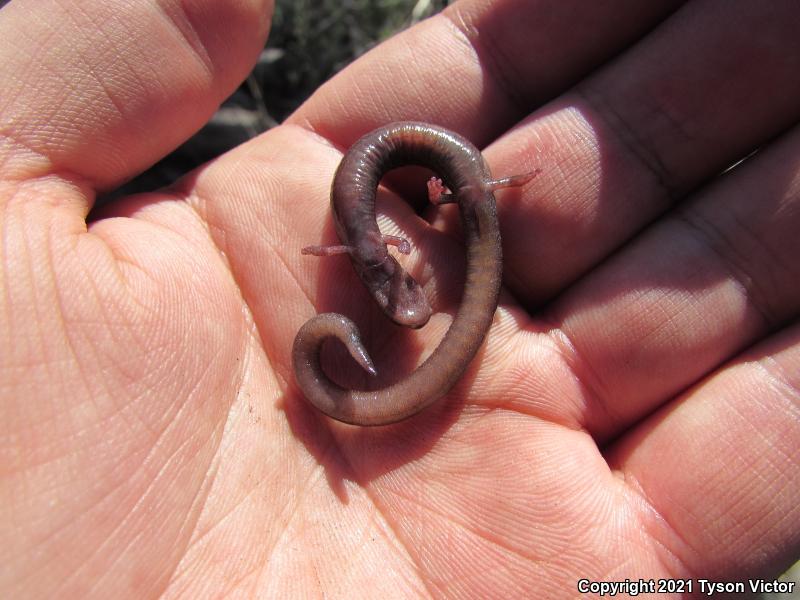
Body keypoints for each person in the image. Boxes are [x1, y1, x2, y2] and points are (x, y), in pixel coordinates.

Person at [1, 0, 798, 597]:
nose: (408, 314)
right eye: (396, 296)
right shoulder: (375, 240)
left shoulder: (405, 232)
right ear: (380, 267)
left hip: (451, 179)